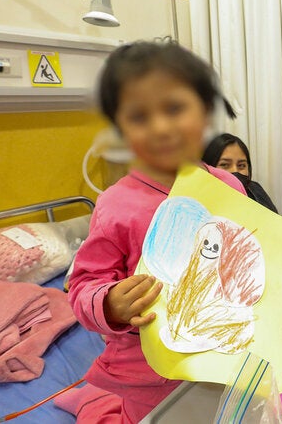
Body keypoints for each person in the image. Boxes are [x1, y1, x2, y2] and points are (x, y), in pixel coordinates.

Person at [60, 41, 246, 423]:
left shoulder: (231, 186)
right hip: (151, 373)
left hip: (225, 352)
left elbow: (243, 253)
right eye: (139, 116)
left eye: (174, 108)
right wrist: (109, 304)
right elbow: (84, 284)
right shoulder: (115, 204)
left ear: (205, 110)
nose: (160, 127)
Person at [202, 133, 279, 213]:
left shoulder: (255, 189)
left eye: (241, 165)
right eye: (224, 165)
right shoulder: (198, 205)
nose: (235, 170)